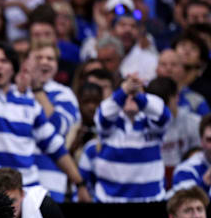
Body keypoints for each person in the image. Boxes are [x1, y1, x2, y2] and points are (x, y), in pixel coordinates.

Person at [0, 19, 91, 201]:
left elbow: (55, 147)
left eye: (4, 61)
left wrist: (80, 184)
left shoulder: (29, 103)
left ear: (13, 68)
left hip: (24, 194)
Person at [90, 74, 171, 202]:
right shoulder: (111, 123)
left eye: (136, 94)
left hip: (151, 201)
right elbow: (103, 116)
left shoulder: (150, 123)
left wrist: (139, 95)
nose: (131, 97)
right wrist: (124, 91)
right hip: (111, 202)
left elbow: (164, 115)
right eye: (127, 94)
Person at [23, 40, 80, 202]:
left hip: (51, 179)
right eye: (38, 58)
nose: (44, 62)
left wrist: (37, 90)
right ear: (27, 61)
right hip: (18, 177)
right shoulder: (15, 90)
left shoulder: (64, 94)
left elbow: (58, 128)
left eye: (50, 58)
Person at [146, 77, 200, 185]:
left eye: (165, 103)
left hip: (185, 178)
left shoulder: (194, 122)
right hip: (152, 178)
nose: (160, 110)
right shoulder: (141, 125)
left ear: (177, 97)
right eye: (155, 105)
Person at [170, 115, 211, 195]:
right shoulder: (185, 170)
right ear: (201, 142)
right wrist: (205, 182)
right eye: (209, 140)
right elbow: (184, 203)